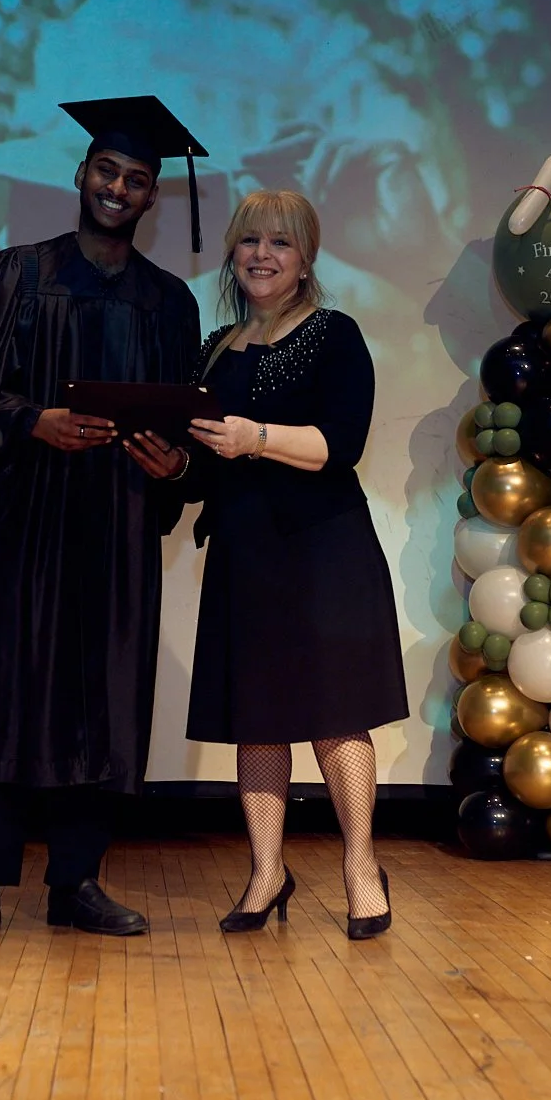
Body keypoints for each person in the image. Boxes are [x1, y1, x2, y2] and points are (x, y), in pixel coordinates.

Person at [0, 96, 204, 943]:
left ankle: (78, 879)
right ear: (80, 175)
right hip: (31, 521)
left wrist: (179, 466)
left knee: (106, 701)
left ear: (152, 196)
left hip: (121, 523)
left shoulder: (169, 303)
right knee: (5, 696)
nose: (118, 188)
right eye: (106, 171)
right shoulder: (13, 276)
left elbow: (182, 419)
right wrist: (33, 421)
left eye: (136, 179)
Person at [181, 190, 410, 939]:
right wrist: (167, 463)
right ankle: (267, 871)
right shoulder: (214, 347)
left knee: (335, 716)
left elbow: (339, 444)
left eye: (280, 242)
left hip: (323, 550)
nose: (262, 255)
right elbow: (200, 466)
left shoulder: (333, 335)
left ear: (306, 257)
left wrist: (255, 436)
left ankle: (359, 865)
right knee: (259, 720)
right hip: (247, 553)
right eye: (249, 241)